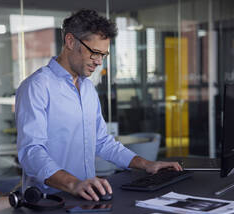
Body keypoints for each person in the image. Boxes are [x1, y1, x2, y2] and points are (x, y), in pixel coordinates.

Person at [15, 9, 182, 202]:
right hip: (49, 203)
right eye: (94, 52)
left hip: (88, 196)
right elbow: (31, 152)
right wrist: (73, 183)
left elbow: (102, 142)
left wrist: (146, 164)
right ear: (70, 41)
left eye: (103, 54)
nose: (99, 62)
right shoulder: (36, 86)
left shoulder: (87, 89)